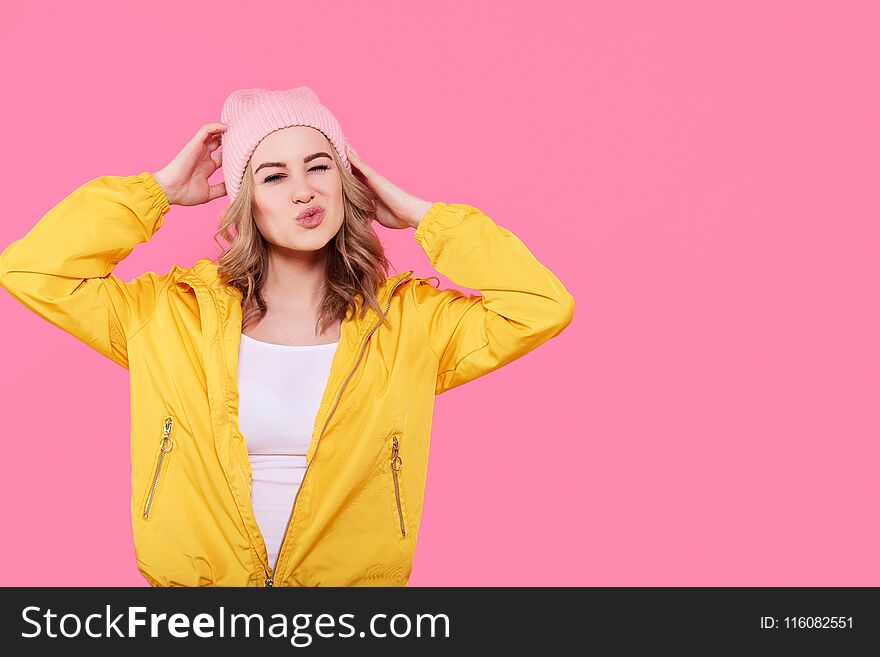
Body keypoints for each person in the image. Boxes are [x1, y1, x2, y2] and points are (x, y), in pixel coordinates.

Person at [0, 87, 575, 587]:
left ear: (348, 181)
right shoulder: (168, 317)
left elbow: (540, 307)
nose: (303, 191)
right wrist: (157, 191)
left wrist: (427, 218)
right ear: (243, 200)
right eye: (273, 176)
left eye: (319, 166)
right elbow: (33, 271)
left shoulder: (409, 324)